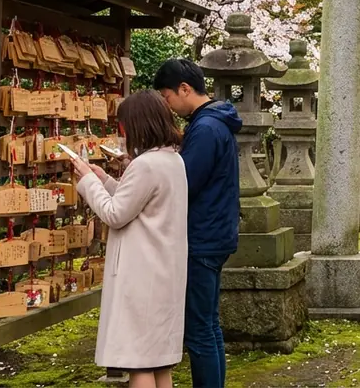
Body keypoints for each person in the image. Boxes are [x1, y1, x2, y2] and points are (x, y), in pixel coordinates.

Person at [70, 91, 187, 388]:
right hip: (163, 270)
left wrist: (86, 180)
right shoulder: (172, 160)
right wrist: (104, 180)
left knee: (140, 363)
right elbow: (137, 200)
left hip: (141, 275)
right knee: (159, 363)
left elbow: (115, 213)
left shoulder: (146, 164)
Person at [153, 59, 242, 388]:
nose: (167, 105)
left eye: (166, 96)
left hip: (202, 237)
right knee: (209, 325)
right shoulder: (215, 121)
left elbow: (185, 181)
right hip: (216, 232)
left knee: (199, 330)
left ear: (184, 89)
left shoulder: (205, 128)